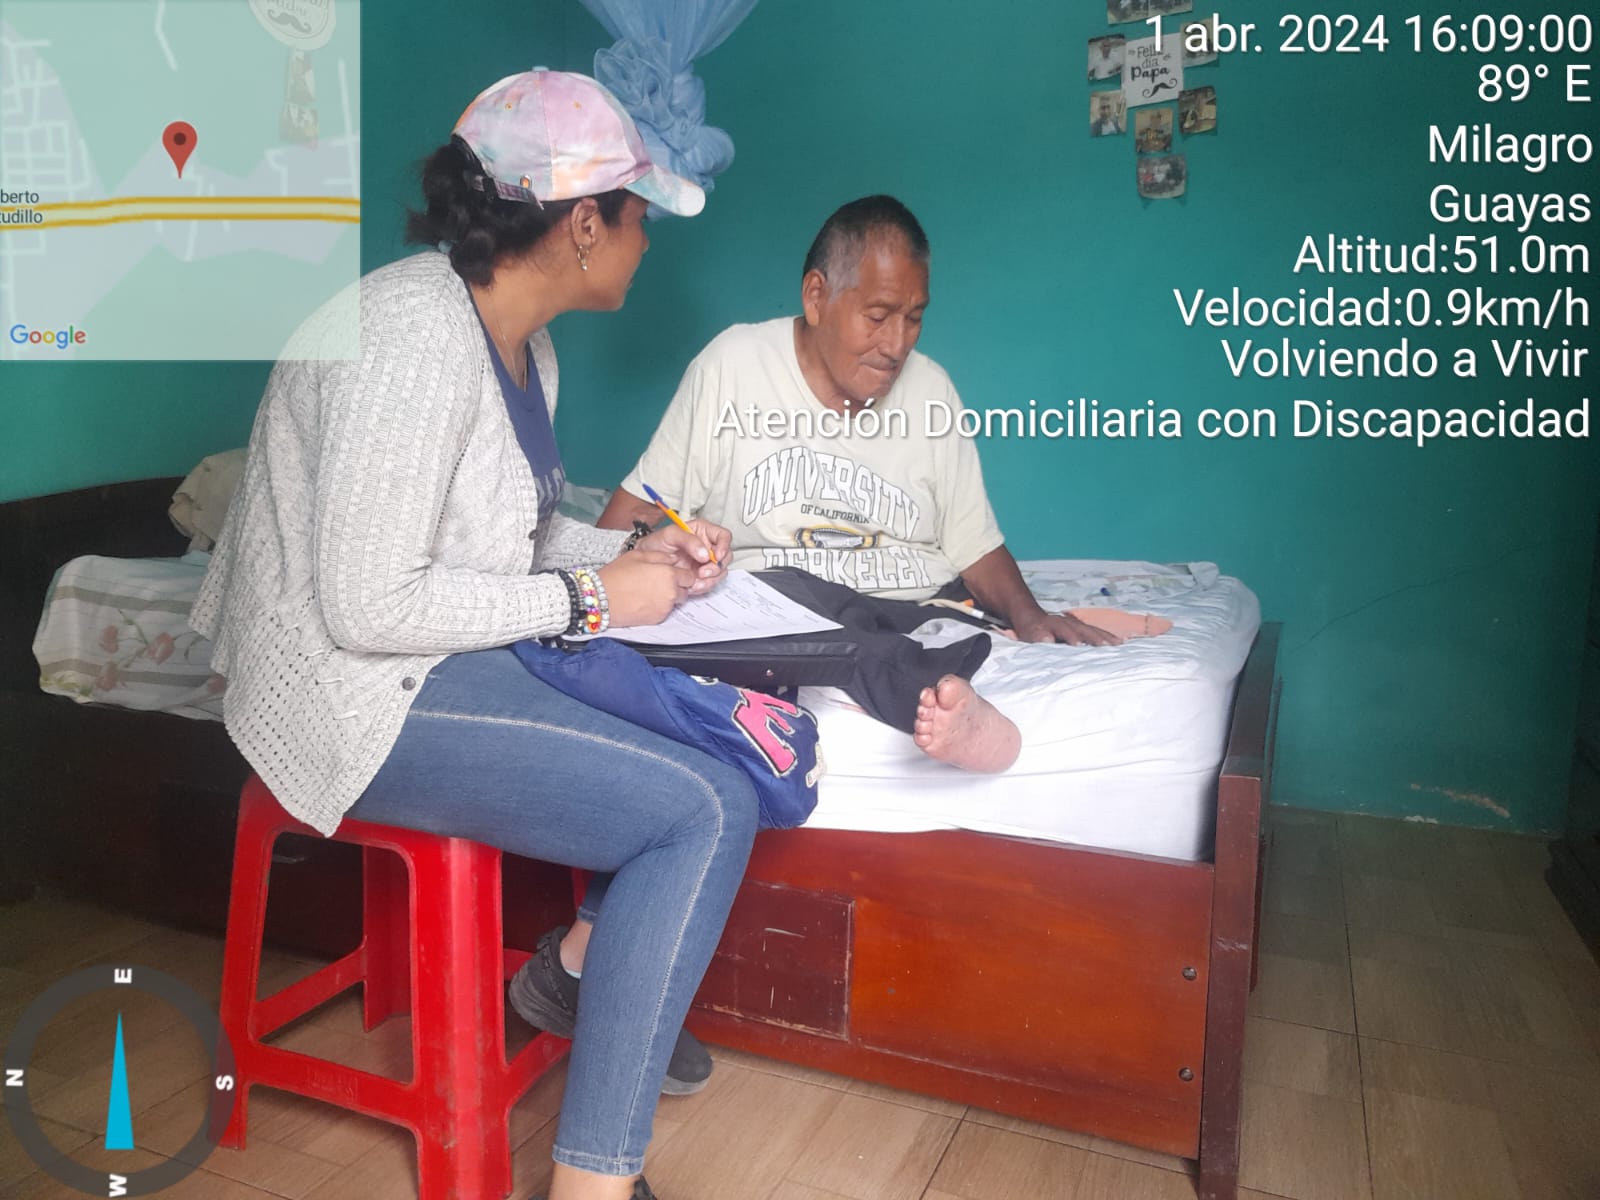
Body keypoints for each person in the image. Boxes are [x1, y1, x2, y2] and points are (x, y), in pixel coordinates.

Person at [192, 69, 750, 1200]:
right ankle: (591, 1171)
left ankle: (581, 974)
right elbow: (368, 606)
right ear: (582, 223)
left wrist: (642, 556)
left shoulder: (525, 347)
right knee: (703, 807)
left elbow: (513, 536)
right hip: (353, 690)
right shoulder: (404, 334)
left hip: (427, 659)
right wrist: (595, 601)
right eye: (638, 215)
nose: (647, 241)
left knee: (708, 735)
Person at [597, 195, 1167, 773]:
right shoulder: (733, 366)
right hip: (785, 606)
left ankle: (954, 698)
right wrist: (642, 565)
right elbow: (627, 520)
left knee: (948, 628)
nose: (897, 345)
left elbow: (973, 544)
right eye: (878, 316)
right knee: (785, 614)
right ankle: (925, 692)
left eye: (914, 318)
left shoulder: (932, 390)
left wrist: (1030, 615)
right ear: (816, 297)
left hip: (908, 605)